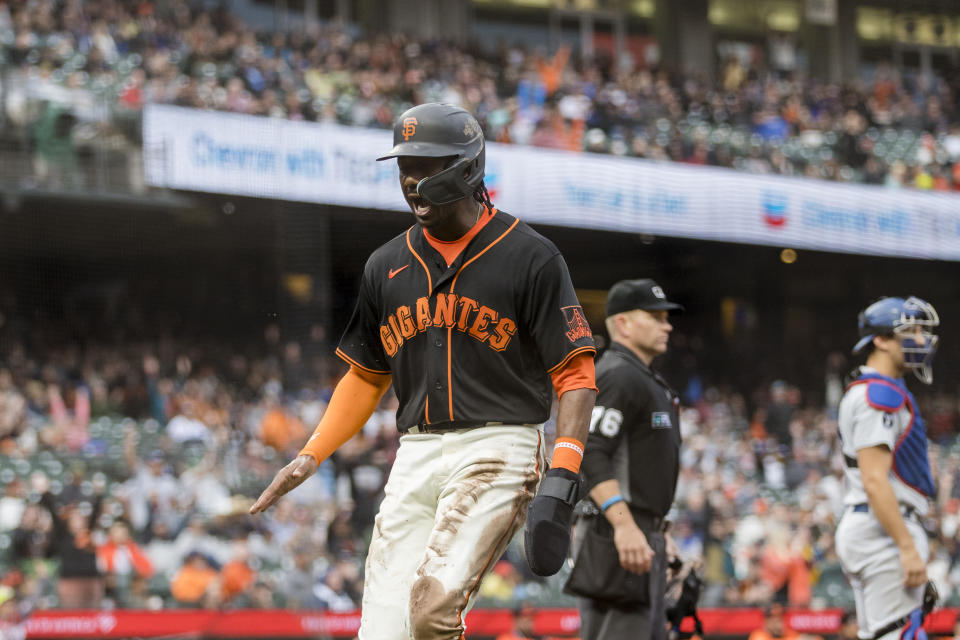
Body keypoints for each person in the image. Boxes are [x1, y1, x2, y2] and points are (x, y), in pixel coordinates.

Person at [250, 102, 598, 639]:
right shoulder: (384, 265)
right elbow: (367, 376)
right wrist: (310, 453)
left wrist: (564, 473)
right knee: (383, 633)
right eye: (403, 167)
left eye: (427, 166)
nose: (412, 181)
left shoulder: (531, 256)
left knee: (431, 612)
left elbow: (575, 373)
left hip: (498, 446)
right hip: (414, 454)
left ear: (466, 169)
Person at [569, 278, 685, 640]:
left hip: (638, 534)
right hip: (614, 535)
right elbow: (589, 452)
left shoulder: (641, 376)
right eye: (655, 317)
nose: (666, 325)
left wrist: (658, 534)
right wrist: (624, 525)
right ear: (623, 323)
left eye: (667, 318)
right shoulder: (618, 374)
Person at [835, 296, 939, 640]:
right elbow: (875, 480)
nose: (921, 340)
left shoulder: (882, 389)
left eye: (923, 331)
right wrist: (907, 546)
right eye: (910, 331)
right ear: (880, 339)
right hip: (881, 534)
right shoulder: (878, 394)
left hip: (877, 528)